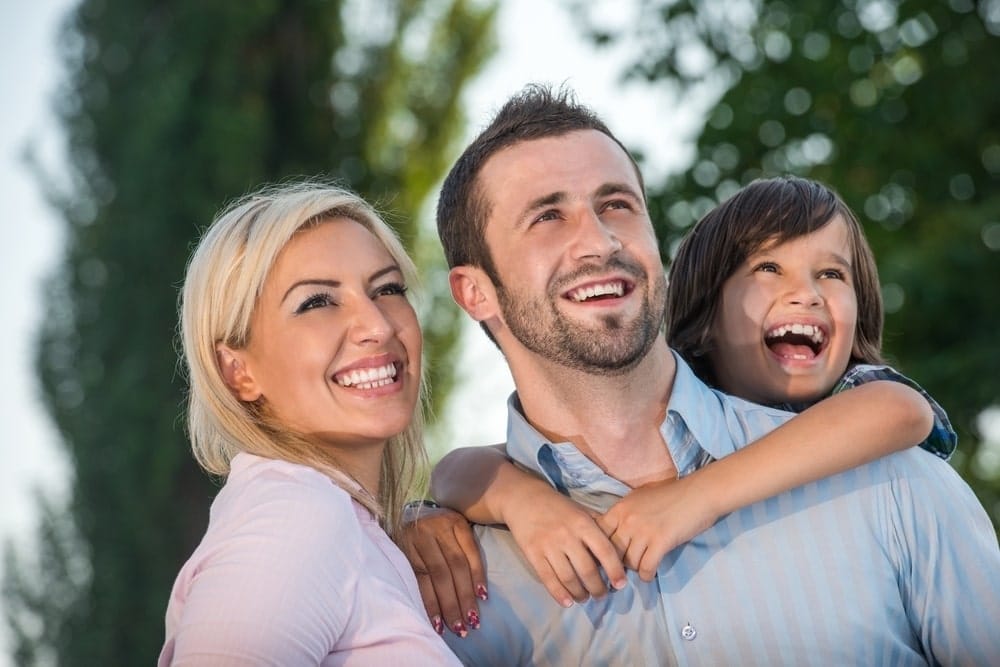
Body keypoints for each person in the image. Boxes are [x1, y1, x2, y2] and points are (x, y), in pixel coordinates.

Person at [407, 85, 1000, 664]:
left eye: (616, 204)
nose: (598, 238)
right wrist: (447, 507)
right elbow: (459, 468)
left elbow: (902, 409)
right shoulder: (440, 575)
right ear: (474, 292)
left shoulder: (892, 483)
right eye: (547, 216)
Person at [422, 176, 958, 616]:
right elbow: (462, 469)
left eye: (832, 274)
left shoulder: (857, 398)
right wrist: (518, 498)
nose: (807, 293)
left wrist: (697, 497)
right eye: (769, 268)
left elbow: (903, 409)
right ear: (705, 320)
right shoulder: (684, 418)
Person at [159, 182, 460, 665]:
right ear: (239, 371)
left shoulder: (334, 521)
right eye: (318, 302)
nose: (378, 325)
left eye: (388, 289)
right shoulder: (298, 512)